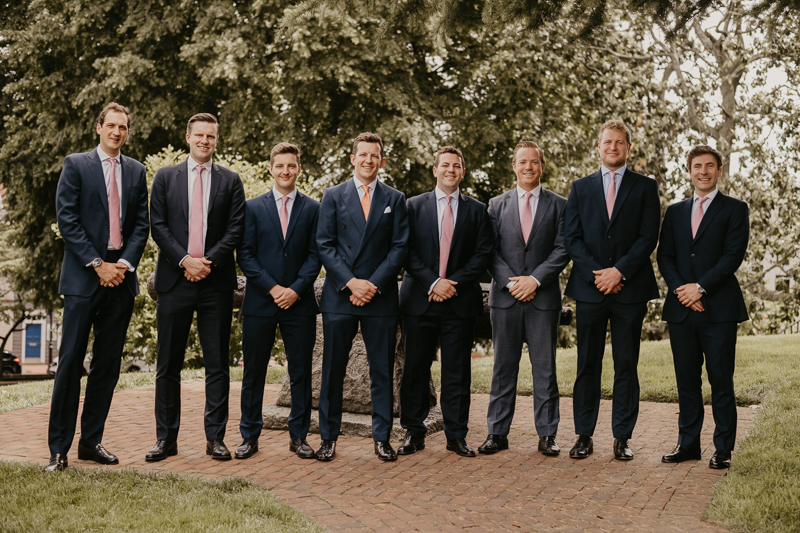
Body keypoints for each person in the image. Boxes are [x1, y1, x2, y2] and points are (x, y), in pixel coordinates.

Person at [48, 102, 150, 472]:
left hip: (120, 281)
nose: (116, 132)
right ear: (98, 128)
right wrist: (97, 264)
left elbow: (142, 224)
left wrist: (121, 266)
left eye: (123, 127)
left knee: (107, 366)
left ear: (127, 131)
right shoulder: (76, 165)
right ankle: (58, 450)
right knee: (71, 362)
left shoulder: (137, 171)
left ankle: (90, 442)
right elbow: (67, 219)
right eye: (111, 126)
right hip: (83, 279)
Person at [146, 113, 246, 462]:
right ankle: (165, 439)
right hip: (174, 282)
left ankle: (215, 438)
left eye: (211, 136)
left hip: (215, 284)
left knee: (217, 364)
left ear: (217, 140)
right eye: (199, 135)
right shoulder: (165, 177)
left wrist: (208, 262)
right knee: (167, 364)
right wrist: (184, 260)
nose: (205, 141)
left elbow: (236, 228)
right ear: (187, 137)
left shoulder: (231, 181)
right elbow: (157, 225)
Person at [563, 120, 661, 461]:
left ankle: (622, 437)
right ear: (599, 146)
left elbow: (648, 236)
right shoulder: (580, 187)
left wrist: (619, 272)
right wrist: (597, 275)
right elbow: (571, 238)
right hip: (590, 290)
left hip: (629, 289)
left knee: (626, 364)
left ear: (628, 148)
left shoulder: (645, 187)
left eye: (620, 143)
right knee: (587, 364)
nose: (613, 147)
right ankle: (583, 435)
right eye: (608, 142)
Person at [315, 132, 409, 462]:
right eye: (363, 155)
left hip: (380, 297)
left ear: (381, 161)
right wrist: (352, 283)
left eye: (375, 156)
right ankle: (328, 438)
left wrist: (373, 284)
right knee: (332, 371)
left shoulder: (395, 199)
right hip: (341, 295)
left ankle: (382, 438)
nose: (368, 160)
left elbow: (399, 248)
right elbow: (324, 244)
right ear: (353, 158)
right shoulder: (333, 195)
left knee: (382, 372)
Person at [657, 145, 749, 469]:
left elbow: (731, 257)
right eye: (698, 166)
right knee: (686, 381)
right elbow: (664, 256)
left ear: (719, 170)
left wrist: (700, 288)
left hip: (719, 308)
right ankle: (687, 444)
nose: (703, 172)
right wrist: (683, 292)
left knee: (721, 379)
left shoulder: (735, 209)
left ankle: (723, 447)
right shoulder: (675, 211)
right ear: (689, 170)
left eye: (710, 166)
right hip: (681, 310)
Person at [397, 146, 493, 457]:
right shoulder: (412, 206)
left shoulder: (478, 211)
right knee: (414, 369)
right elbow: (405, 251)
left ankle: (456, 434)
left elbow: (482, 255)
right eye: (445, 165)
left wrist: (453, 284)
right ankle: (414, 431)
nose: (450, 170)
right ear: (435, 170)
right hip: (419, 300)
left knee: (457, 371)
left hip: (459, 301)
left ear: (463, 172)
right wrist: (433, 282)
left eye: (456, 166)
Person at [479, 141, 571, 456]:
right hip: (505, 300)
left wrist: (534, 280)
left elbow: (563, 249)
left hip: (543, 299)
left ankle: (547, 435)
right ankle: (497, 433)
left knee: (545, 368)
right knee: (503, 368)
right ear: (514, 166)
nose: (528, 167)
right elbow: (488, 251)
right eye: (523, 162)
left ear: (541, 166)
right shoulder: (495, 205)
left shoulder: (559, 204)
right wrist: (510, 283)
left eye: (534, 162)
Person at [236, 142, 321, 460]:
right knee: (253, 372)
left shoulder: (313, 209)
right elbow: (245, 254)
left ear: (299, 169)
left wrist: (296, 289)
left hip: (299, 304)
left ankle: (299, 436)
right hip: (260, 302)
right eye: (280, 165)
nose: (286, 171)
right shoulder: (252, 207)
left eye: (292, 165)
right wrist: (273, 289)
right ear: (271, 168)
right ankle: (249, 436)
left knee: (301, 372)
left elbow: (316, 256)